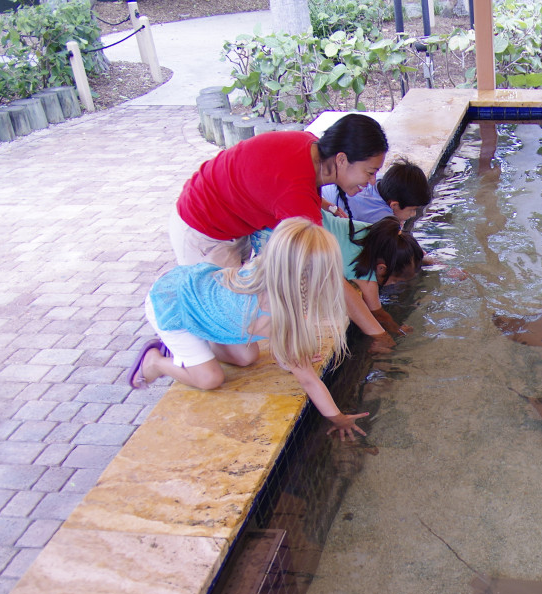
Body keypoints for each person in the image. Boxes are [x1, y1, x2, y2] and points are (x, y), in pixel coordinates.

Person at [129, 217, 369, 441]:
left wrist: (291, 356)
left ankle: (198, 346)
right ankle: (156, 362)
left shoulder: (268, 275)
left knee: (248, 357)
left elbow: (285, 348)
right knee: (210, 378)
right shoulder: (272, 315)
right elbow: (308, 381)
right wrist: (339, 418)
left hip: (201, 295)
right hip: (173, 303)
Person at [171, 114, 388, 269]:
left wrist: (326, 205)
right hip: (203, 229)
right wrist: (379, 328)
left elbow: (278, 185)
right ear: (341, 159)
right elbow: (322, 272)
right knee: (221, 322)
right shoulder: (295, 194)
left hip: (228, 219)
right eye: (370, 172)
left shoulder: (309, 145)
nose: (371, 182)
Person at [325, 215, 425, 339]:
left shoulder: (372, 232)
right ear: (382, 268)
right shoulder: (363, 269)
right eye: (394, 280)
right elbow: (377, 313)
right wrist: (397, 329)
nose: (393, 284)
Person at [323, 159, 432, 228]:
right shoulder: (380, 218)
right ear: (394, 205)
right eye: (412, 210)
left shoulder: (380, 181)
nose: (413, 214)